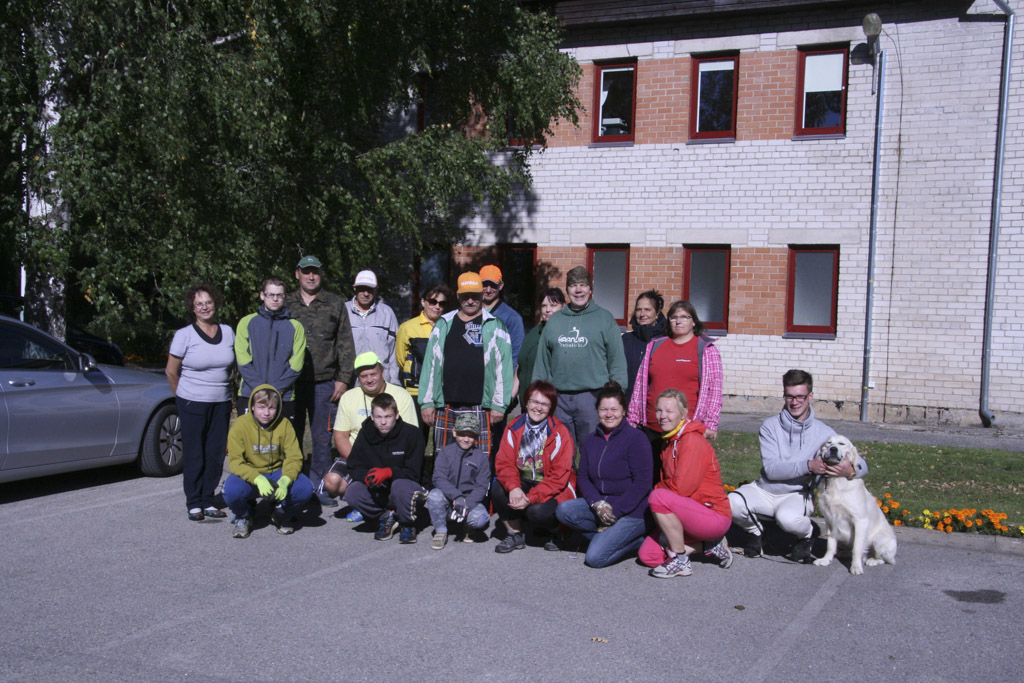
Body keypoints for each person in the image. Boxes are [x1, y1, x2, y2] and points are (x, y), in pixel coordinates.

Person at [728, 369, 866, 562]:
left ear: (810, 396)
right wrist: (809, 466)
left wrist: (850, 470)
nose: (795, 402)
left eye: (800, 396)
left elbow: (860, 463)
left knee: (787, 518)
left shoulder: (824, 433)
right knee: (731, 502)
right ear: (784, 396)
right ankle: (756, 532)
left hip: (797, 494)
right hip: (765, 489)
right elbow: (771, 470)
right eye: (790, 396)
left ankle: (808, 533)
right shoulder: (770, 426)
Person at [284, 255, 357, 508]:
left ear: (321, 274)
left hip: (325, 383)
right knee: (289, 436)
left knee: (322, 438)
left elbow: (345, 344)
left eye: (315, 272)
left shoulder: (335, 303)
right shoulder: (285, 302)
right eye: (306, 272)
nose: (311, 276)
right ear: (298, 274)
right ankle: (290, 484)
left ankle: (319, 486)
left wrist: (343, 380)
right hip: (290, 383)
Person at [638, 389, 734, 578]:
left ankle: (681, 561)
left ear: (683, 414)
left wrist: (657, 488)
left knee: (657, 497)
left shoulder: (691, 440)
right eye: (659, 411)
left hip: (712, 515)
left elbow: (681, 489)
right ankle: (710, 545)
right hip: (686, 514)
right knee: (648, 555)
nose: (662, 416)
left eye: (669, 411)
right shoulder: (669, 440)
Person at [555, 381, 652, 568]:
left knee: (595, 558)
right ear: (597, 411)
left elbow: (642, 483)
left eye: (614, 409)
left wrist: (615, 511)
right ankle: (610, 536)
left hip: (632, 511)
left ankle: (637, 541)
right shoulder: (592, 440)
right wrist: (596, 503)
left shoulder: (636, 438)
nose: (609, 414)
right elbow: (583, 477)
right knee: (564, 511)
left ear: (624, 410)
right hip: (602, 505)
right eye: (603, 409)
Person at [419, 271, 513, 459]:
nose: (470, 301)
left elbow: (504, 368)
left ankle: (477, 490)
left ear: (481, 296)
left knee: (478, 460)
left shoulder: (496, 325)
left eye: (475, 296)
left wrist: (499, 405)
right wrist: (427, 401)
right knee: (444, 459)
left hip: (481, 406)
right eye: (465, 296)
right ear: (458, 296)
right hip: (446, 405)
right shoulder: (443, 324)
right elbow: (430, 365)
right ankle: (444, 489)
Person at [532, 266, 627, 449]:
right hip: (558, 399)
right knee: (559, 452)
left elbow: (617, 361)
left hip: (592, 398)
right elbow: (542, 364)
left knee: (594, 450)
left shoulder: (604, 318)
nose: (578, 290)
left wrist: (616, 395)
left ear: (590, 289)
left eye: (583, 285)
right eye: (574, 285)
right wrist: (537, 396)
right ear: (567, 290)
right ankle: (565, 479)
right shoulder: (555, 321)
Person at [165, 284, 235, 522]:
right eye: (199, 303)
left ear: (215, 304)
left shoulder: (228, 332)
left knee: (215, 454)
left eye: (208, 302)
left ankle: (208, 499)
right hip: (192, 403)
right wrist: (183, 399)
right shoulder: (184, 335)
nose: (205, 307)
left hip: (221, 402)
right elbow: (171, 372)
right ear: (192, 308)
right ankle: (194, 502)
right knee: (195, 454)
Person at [323, 351, 418, 520]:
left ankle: (383, 504)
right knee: (331, 481)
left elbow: (411, 437)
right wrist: (359, 464)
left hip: (393, 458)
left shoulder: (401, 396)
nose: (369, 379)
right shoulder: (349, 397)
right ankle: (365, 504)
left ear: (382, 373)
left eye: (373, 374)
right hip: (358, 456)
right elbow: (340, 436)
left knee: (396, 480)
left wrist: (388, 469)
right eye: (363, 376)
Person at [491, 380, 577, 553]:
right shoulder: (513, 427)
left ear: (551, 407)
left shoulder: (560, 432)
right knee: (498, 489)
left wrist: (530, 498)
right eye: (534, 402)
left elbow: (559, 476)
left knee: (536, 512)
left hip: (553, 486)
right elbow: (504, 462)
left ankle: (559, 531)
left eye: (545, 404)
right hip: (523, 480)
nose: (538, 408)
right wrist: (514, 488)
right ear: (527, 402)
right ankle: (515, 534)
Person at [222, 385, 315, 537]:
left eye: (272, 408)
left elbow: (294, 457)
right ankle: (244, 515)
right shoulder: (240, 425)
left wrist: (285, 480)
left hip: (277, 472)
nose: (266, 413)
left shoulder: (284, 424)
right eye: (261, 407)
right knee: (231, 490)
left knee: (305, 488)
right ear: (252, 406)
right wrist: (257, 478)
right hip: (252, 473)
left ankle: (281, 511)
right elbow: (235, 461)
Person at [628, 300, 723, 441]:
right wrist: (633, 418)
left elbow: (715, 390)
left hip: (687, 428)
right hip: (652, 426)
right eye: (674, 317)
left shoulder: (706, 350)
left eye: (684, 317)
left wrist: (710, 423)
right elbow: (640, 384)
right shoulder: (654, 346)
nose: (678, 321)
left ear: (694, 322)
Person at [343, 393, 427, 544]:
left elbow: (414, 472)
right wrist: (367, 476)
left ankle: (407, 523)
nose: (383, 422)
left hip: (406, 486)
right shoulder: (365, 433)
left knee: (400, 485)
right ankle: (386, 516)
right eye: (379, 417)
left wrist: (390, 472)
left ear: (396, 415)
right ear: (372, 417)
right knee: (353, 492)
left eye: (388, 416)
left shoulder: (412, 433)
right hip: (379, 488)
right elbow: (353, 466)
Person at [234, 276, 306, 419]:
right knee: (249, 439)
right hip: (250, 393)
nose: (275, 299)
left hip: (283, 395)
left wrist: (276, 390)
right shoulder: (246, 322)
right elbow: (242, 359)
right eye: (270, 295)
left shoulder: (295, 326)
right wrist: (260, 389)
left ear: (285, 297)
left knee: (280, 440)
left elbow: (297, 364)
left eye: (279, 295)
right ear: (262, 295)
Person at [426, 413, 492, 549]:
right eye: (462, 434)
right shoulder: (445, 452)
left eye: (471, 435)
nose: (466, 439)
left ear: (477, 436)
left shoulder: (481, 458)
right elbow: (438, 478)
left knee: (480, 519)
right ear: (454, 432)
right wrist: (457, 496)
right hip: (449, 497)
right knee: (434, 495)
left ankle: (468, 526)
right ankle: (441, 531)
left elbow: (482, 486)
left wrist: (467, 503)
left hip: (469, 500)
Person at [395, 283, 452, 434]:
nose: (437, 306)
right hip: (416, 391)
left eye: (442, 303)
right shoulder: (407, 328)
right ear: (423, 302)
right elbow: (401, 359)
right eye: (433, 302)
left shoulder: (449, 327)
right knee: (416, 437)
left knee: (442, 437)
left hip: (442, 392)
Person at [515, 287, 564, 413]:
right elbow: (521, 367)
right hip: (528, 405)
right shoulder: (534, 332)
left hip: (548, 407)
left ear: (563, 307)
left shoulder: (565, 336)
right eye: (544, 306)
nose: (548, 310)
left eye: (553, 305)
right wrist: (510, 397)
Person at [346, 269, 399, 384]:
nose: (366, 293)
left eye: (370, 289)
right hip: (350, 380)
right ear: (354, 288)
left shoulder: (387, 313)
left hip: (381, 380)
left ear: (376, 290)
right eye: (362, 289)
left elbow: (394, 350)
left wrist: (394, 379)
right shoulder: (343, 311)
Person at [620, 290, 665, 399]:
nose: (642, 314)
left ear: (657, 313)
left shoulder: (665, 341)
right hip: (627, 403)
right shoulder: (625, 340)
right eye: (639, 310)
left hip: (655, 405)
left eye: (647, 310)